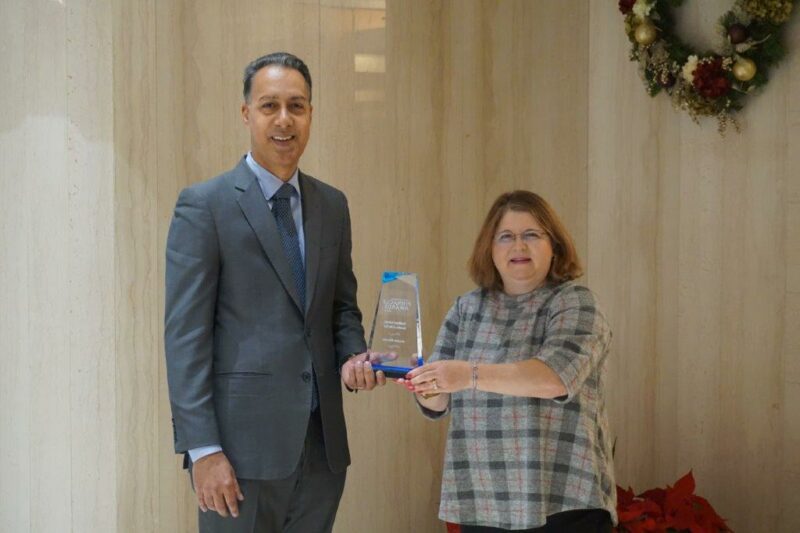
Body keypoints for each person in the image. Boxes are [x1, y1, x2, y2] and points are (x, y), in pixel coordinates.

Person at [164, 52, 384, 533]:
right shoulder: (205, 206)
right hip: (237, 457)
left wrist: (354, 357)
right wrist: (203, 450)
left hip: (322, 452)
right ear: (247, 113)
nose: (284, 119)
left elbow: (341, 309)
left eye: (296, 106)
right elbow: (185, 338)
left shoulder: (332, 205)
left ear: (310, 114)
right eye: (269, 106)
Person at [398, 190, 616, 532]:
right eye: (506, 237)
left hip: (563, 499)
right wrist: (423, 381)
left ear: (554, 245)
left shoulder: (576, 302)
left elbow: (554, 378)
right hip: (483, 500)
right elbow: (437, 404)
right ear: (490, 248)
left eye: (531, 235)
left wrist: (468, 375)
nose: (519, 246)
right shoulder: (466, 308)